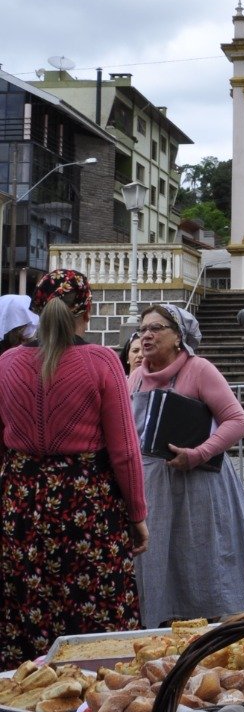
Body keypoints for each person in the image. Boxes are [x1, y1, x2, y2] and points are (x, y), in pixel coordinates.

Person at [0, 269, 147, 668]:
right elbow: (125, 452)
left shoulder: (7, 364)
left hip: (22, 511)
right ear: (89, 310)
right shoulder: (101, 361)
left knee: (27, 619)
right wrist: (137, 515)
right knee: (100, 622)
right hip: (89, 511)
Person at [130, 303, 244, 627]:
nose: (147, 335)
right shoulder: (133, 379)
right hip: (154, 492)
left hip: (197, 488)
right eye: (143, 328)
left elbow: (237, 421)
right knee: (159, 566)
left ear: (178, 337)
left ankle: (207, 639)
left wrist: (199, 453)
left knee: (200, 563)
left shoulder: (199, 369)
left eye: (156, 328)